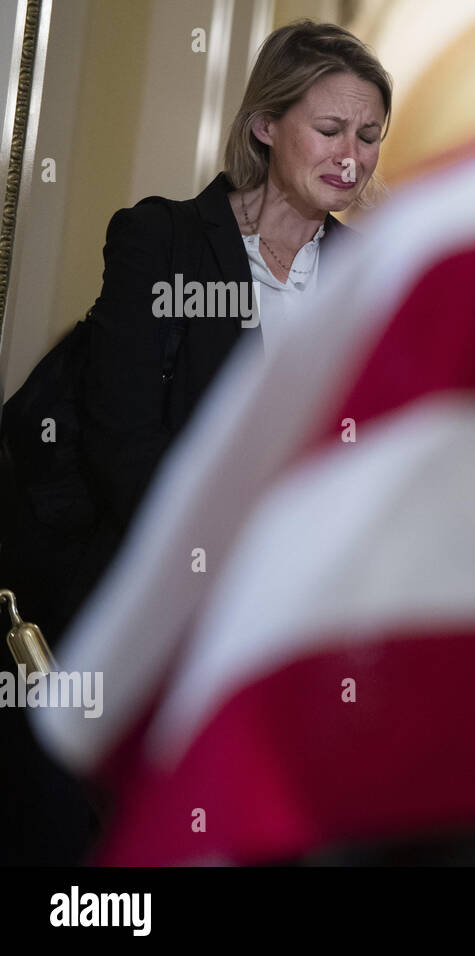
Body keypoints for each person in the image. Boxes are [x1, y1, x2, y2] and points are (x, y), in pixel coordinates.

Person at [0, 17, 393, 864]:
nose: (351, 157)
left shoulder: (370, 271)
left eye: (368, 136)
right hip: (138, 610)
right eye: (329, 130)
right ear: (265, 124)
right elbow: (123, 445)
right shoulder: (164, 239)